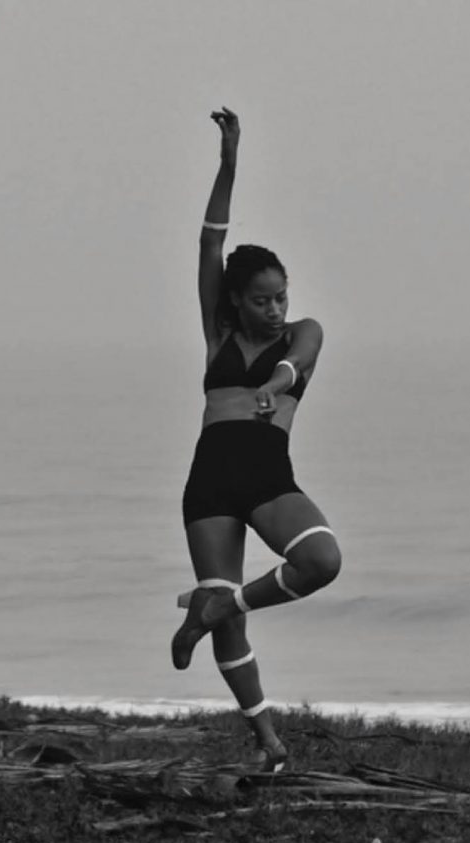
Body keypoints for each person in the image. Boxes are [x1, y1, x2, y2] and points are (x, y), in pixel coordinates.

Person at [170, 108, 345, 773]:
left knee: (321, 560)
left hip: (268, 473)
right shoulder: (217, 334)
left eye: (281, 297)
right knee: (228, 630)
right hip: (209, 478)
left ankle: (225, 600)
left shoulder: (305, 330)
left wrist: (274, 383)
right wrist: (229, 163)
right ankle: (268, 739)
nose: (276, 308)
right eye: (264, 299)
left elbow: (296, 363)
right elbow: (209, 244)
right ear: (239, 299)